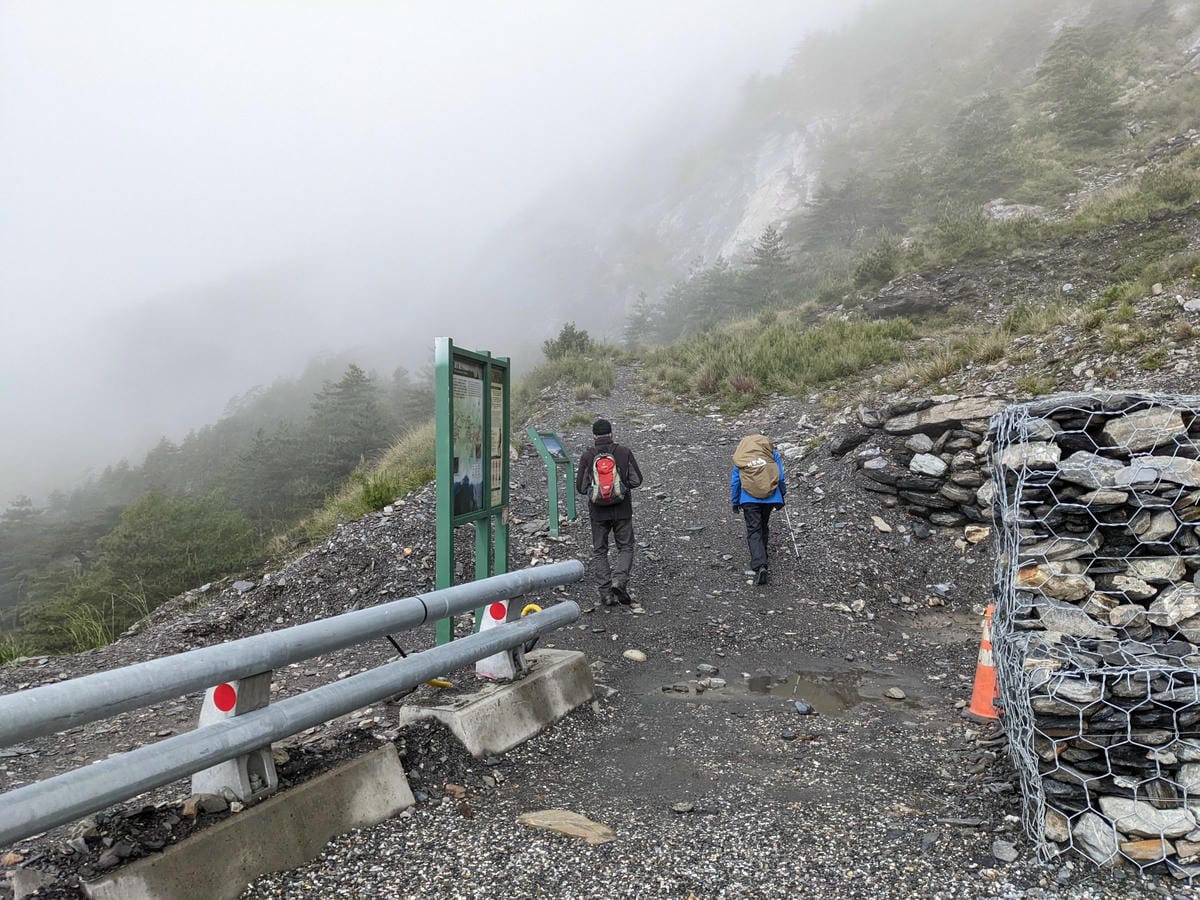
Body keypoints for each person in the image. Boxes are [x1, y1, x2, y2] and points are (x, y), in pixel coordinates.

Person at [576, 418, 644, 606]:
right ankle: (619, 581)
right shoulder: (623, 452)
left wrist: (595, 492)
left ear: (593, 436)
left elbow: (581, 488)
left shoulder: (587, 456)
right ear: (612, 434)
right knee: (626, 547)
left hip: (598, 513)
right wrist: (621, 488)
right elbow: (637, 480)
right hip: (622, 510)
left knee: (600, 551)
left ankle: (606, 594)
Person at [730, 434, 786, 585]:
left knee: (754, 530)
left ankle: (760, 564)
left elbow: (736, 481)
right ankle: (763, 555)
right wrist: (782, 493)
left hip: (749, 499)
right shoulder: (771, 453)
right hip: (770, 497)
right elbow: (780, 477)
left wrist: (735, 502)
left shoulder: (741, 456)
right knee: (763, 525)